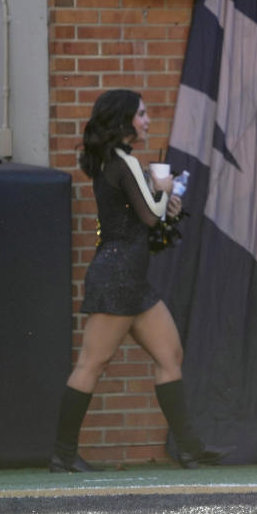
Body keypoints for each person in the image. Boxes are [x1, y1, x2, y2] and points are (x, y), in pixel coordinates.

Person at [51, 89, 221, 472]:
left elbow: (146, 218)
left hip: (130, 277)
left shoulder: (117, 162)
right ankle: (62, 454)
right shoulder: (123, 162)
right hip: (117, 276)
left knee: (169, 355)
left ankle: (190, 450)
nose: (147, 120)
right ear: (125, 119)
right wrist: (165, 193)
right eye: (142, 114)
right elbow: (149, 216)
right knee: (92, 364)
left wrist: (166, 206)